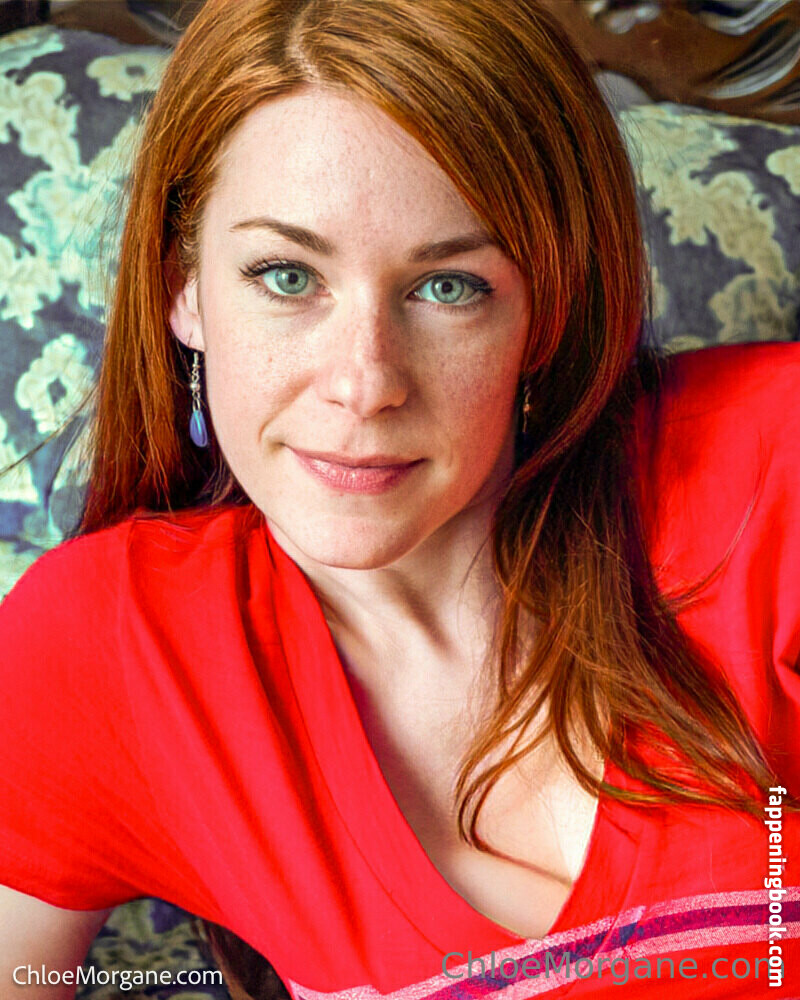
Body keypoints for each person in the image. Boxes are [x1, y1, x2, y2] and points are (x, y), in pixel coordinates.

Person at [1, 1, 798, 998]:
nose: (365, 383)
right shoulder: (116, 645)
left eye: (448, 286)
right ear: (184, 289)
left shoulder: (772, 471)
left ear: (547, 306)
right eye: (285, 276)